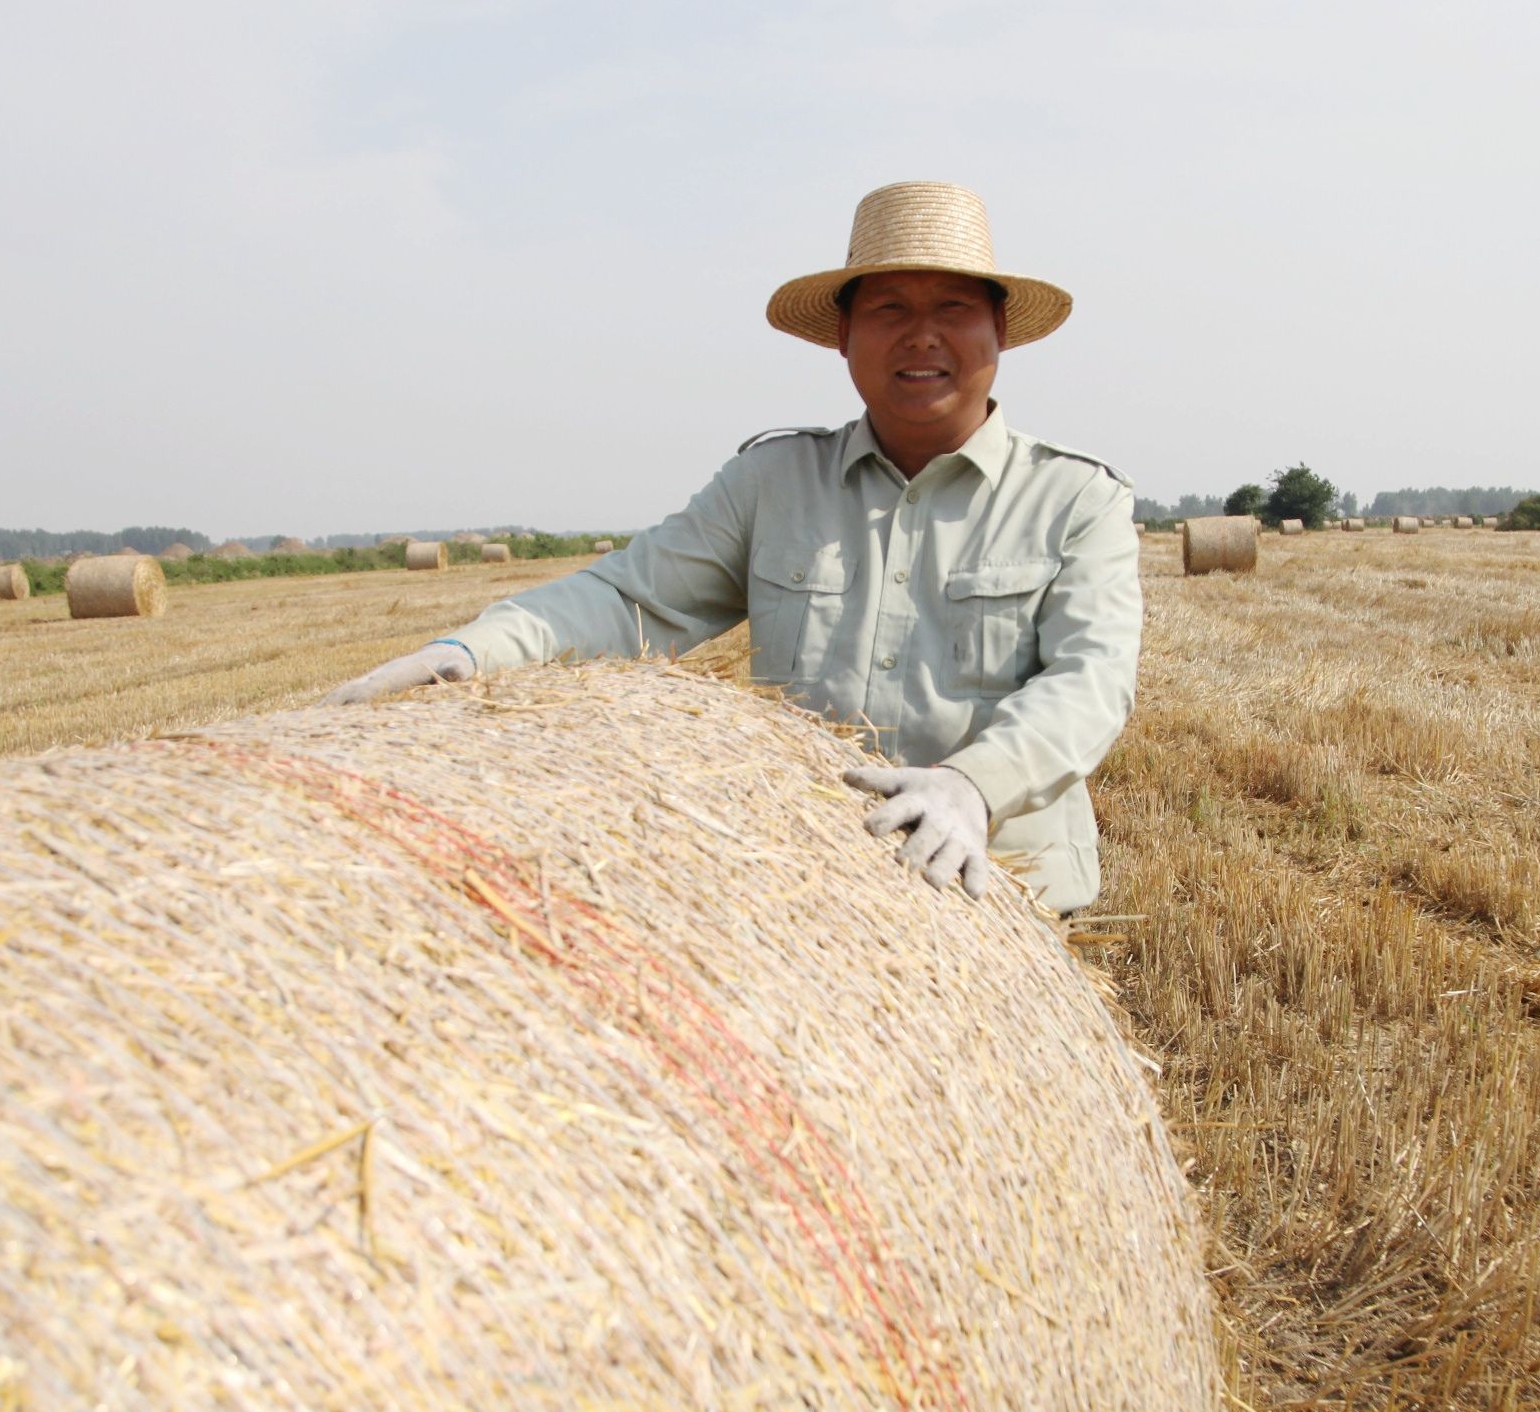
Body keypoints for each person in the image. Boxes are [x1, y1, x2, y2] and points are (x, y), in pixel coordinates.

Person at [323, 181, 1141, 913]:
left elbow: (1091, 682)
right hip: (814, 882)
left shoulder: (1076, 499)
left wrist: (973, 786)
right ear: (844, 337)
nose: (921, 336)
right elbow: (629, 600)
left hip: (1003, 889)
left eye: (952, 310)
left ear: (1000, 329)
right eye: (889, 310)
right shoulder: (771, 483)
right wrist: (471, 652)